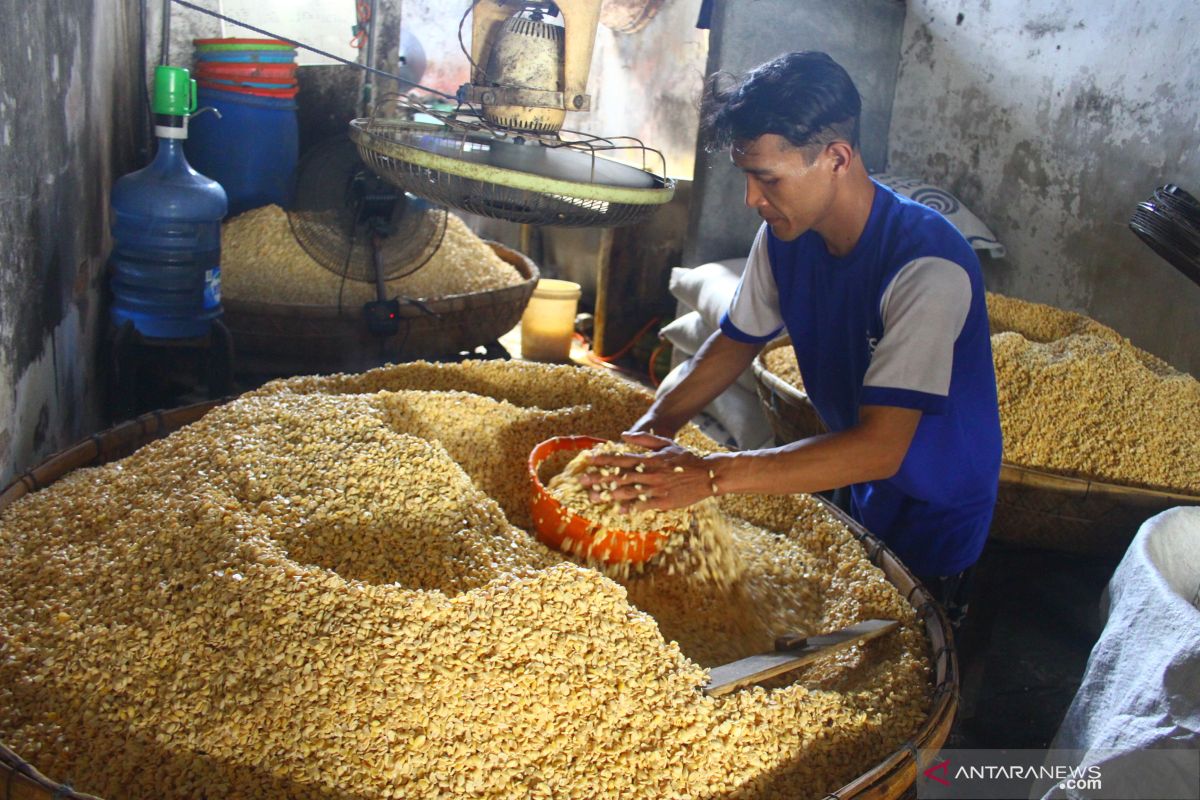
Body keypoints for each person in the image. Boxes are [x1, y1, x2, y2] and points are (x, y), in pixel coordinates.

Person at [583, 51, 1001, 625]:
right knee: (840, 610)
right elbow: (734, 342)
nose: (752, 199)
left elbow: (882, 447)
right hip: (858, 477)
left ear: (836, 158)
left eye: (767, 178)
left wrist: (708, 476)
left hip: (936, 499)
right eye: (747, 176)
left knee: (912, 638)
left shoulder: (926, 266)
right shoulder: (786, 236)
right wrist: (654, 426)